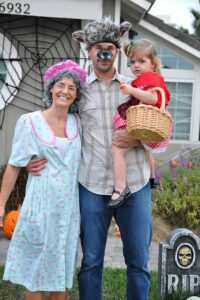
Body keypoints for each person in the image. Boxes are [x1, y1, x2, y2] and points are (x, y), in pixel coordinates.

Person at [27, 17, 152, 300]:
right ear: (89, 50)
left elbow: (159, 134)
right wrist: (31, 158)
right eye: (98, 48)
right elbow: (54, 125)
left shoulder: (135, 87)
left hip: (134, 184)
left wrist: (137, 139)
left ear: (117, 50)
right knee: (91, 261)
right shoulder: (78, 91)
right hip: (92, 186)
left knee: (139, 263)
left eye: (110, 47)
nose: (104, 52)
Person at [0, 60, 87, 300]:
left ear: (76, 94)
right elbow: (14, 165)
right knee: (36, 274)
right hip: (40, 207)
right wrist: (0, 204)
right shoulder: (30, 122)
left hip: (68, 210)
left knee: (60, 278)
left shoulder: (77, 122)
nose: (65, 91)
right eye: (61, 85)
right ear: (50, 88)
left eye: (71, 87)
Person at [108, 39, 171, 208]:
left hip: (148, 118)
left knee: (116, 148)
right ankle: (151, 177)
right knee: (147, 150)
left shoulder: (151, 78)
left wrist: (131, 90)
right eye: (132, 61)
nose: (135, 65)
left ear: (153, 63)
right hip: (145, 119)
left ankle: (120, 187)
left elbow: (154, 98)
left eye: (141, 61)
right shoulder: (143, 78)